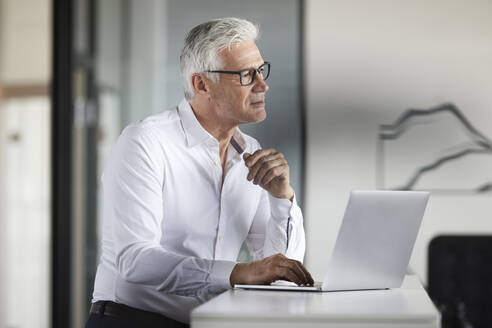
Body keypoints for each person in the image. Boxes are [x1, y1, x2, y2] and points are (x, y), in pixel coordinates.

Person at [85, 17, 313, 328]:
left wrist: (282, 198)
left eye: (261, 71)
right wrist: (238, 272)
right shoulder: (146, 142)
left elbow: (283, 273)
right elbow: (135, 261)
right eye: (247, 75)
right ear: (201, 84)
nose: (263, 84)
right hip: (130, 320)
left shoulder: (250, 153)